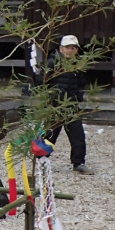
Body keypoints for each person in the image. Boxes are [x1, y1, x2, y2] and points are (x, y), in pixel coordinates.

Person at [44, 34, 92, 174]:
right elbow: (43, 82)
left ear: (77, 50)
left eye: (73, 48)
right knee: (49, 134)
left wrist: (78, 97)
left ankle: (78, 162)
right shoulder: (52, 63)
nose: (70, 51)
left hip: (71, 105)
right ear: (61, 48)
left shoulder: (78, 65)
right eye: (67, 48)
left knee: (78, 135)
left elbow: (81, 83)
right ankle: (41, 159)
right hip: (56, 105)